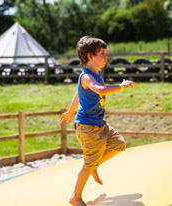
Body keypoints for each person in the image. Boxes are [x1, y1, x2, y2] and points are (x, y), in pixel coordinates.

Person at [60, 36, 137, 206]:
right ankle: (75, 196)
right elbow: (101, 90)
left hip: (99, 123)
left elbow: (78, 94)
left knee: (119, 143)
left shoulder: (95, 73)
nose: (105, 56)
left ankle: (94, 165)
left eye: (105, 53)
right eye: (101, 53)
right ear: (89, 56)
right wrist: (122, 86)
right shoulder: (87, 77)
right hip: (88, 127)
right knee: (87, 164)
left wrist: (70, 110)